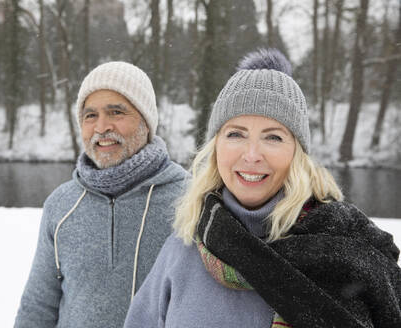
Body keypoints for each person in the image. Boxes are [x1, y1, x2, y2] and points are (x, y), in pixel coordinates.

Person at [124, 49, 401, 328]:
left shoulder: (348, 252)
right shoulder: (184, 249)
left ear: (298, 153)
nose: (252, 154)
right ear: (216, 147)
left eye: (273, 137)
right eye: (236, 134)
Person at [14, 61, 188, 328]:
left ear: (146, 121)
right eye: (90, 115)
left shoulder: (189, 201)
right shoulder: (61, 206)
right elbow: (38, 307)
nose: (101, 127)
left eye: (116, 112)